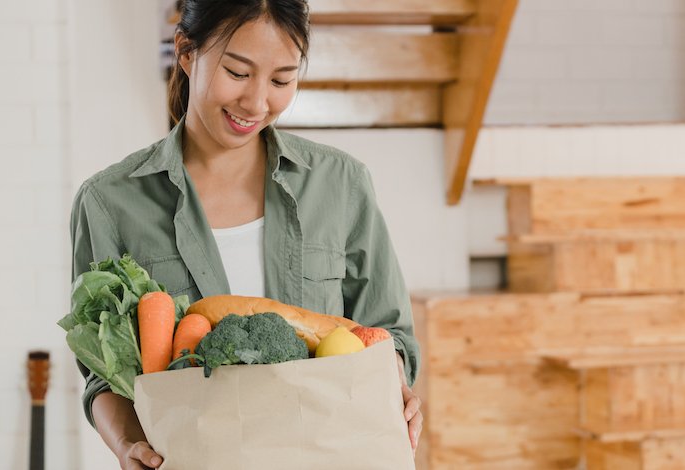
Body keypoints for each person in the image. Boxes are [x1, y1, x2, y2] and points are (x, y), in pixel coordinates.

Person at [69, 1, 422, 468]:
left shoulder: (340, 184)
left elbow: (388, 332)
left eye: (281, 80)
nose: (256, 104)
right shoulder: (109, 202)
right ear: (186, 51)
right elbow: (102, 374)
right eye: (237, 73)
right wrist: (125, 443)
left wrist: (393, 383)